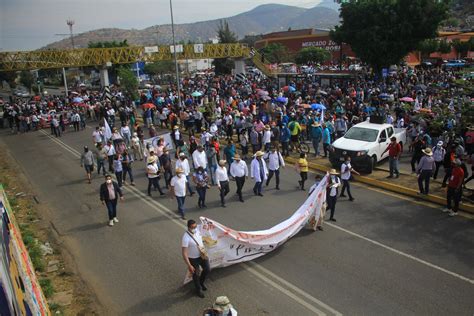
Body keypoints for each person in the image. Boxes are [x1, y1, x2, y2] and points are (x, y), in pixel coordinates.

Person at [182, 219, 210, 298]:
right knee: (196, 274)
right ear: (188, 227)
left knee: (207, 269)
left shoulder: (197, 230)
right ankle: (198, 289)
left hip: (202, 255)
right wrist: (189, 265)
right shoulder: (186, 237)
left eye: (195, 226)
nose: (194, 228)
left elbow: (205, 227)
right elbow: (184, 253)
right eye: (192, 227)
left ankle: (201, 282)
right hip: (193, 259)